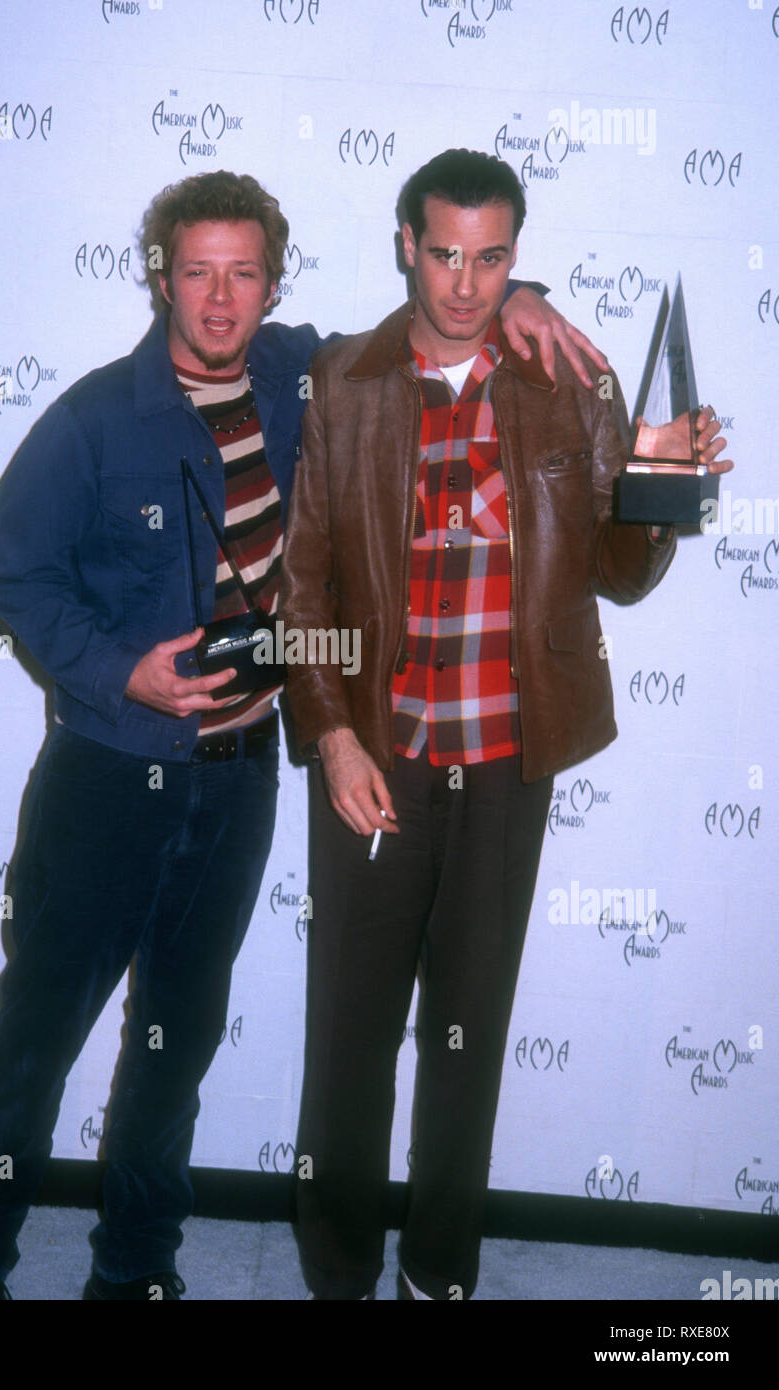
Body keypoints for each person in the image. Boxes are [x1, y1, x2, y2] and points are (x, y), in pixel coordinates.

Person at [0, 167, 617, 1301]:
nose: (217, 299)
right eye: (195, 271)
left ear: (270, 284)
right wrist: (117, 669)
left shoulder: (304, 375)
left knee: (175, 1040)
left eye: (242, 274)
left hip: (241, 776)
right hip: (109, 773)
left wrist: (523, 292)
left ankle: (136, 1268)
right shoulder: (94, 419)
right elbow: (11, 574)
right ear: (159, 278)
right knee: (40, 1029)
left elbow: (443, 313)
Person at [278, 148, 732, 1301]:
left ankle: (439, 1271)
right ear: (404, 244)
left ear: (513, 258)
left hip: (507, 759)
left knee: (464, 1037)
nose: (464, 284)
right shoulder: (346, 382)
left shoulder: (566, 383)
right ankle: (336, 1272)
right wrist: (331, 735)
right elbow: (305, 586)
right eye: (441, 253)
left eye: (489, 259)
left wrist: (650, 486)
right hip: (377, 757)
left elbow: (619, 577)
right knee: (347, 1038)